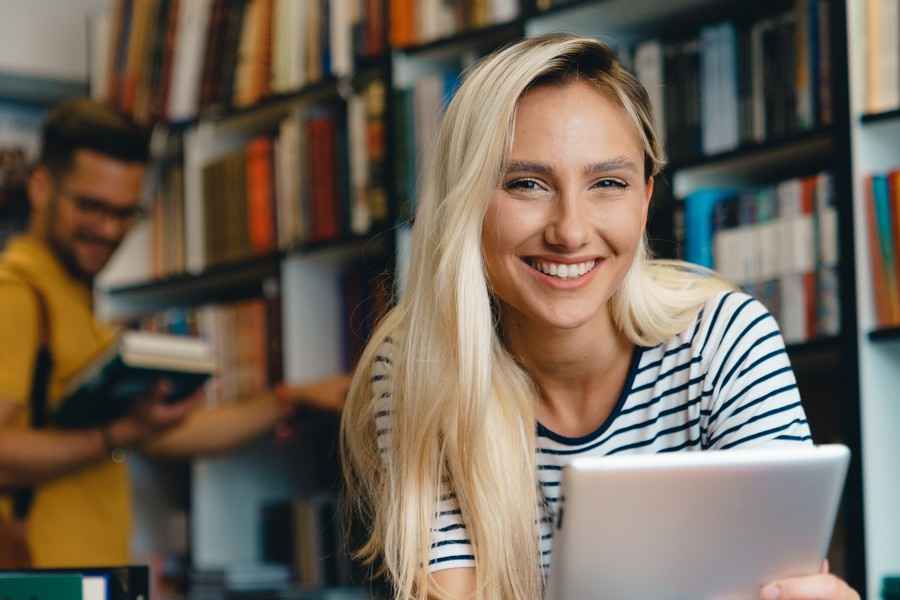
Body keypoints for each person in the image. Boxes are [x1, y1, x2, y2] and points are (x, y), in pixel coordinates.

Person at [340, 35, 859, 600]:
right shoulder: (419, 364)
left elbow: (781, 583)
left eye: (607, 183)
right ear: (465, 201)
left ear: (644, 198)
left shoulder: (723, 340)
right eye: (526, 184)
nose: (570, 231)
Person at [0, 99, 350, 567]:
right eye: (91, 206)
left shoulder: (71, 302)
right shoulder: (15, 294)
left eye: (125, 213)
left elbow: (164, 435)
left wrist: (293, 399)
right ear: (41, 187)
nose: (107, 229)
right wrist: (113, 435)